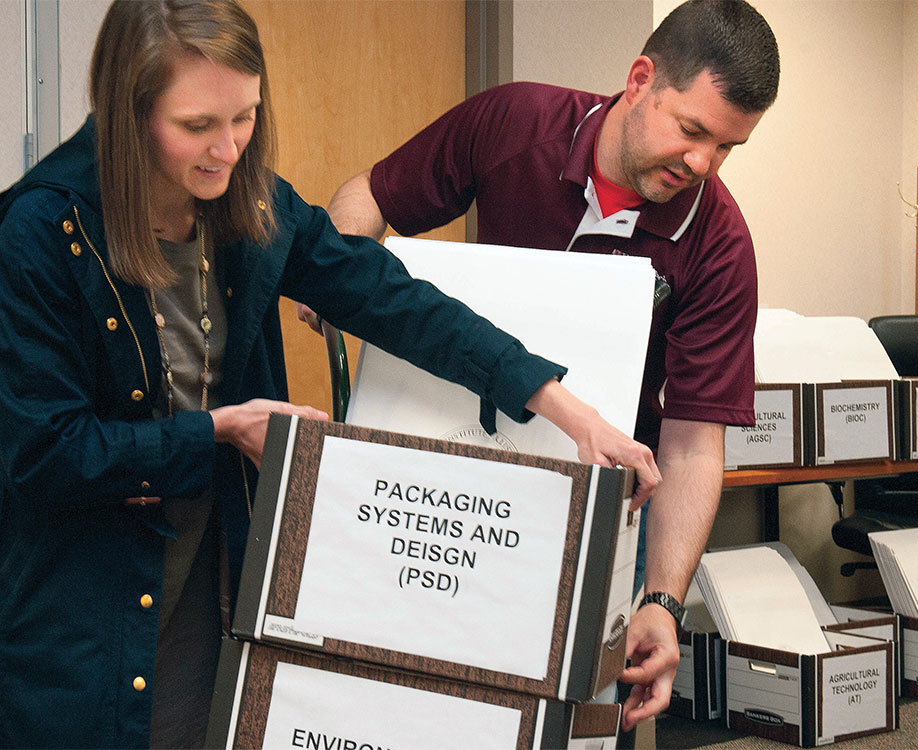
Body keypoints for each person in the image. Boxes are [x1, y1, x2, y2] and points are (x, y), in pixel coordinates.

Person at [0, 1, 660, 747]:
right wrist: (224, 430)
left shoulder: (252, 206)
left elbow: (394, 302)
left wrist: (560, 404)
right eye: (197, 126)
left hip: (205, 590)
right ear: (131, 112)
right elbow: (46, 456)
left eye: (245, 117)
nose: (227, 149)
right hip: (73, 617)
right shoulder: (45, 234)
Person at [315, 0, 779, 731]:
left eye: (727, 149)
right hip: (455, 478)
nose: (703, 165)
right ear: (639, 80)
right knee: (426, 704)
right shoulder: (514, 124)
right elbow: (371, 196)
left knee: (575, 722)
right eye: (692, 131)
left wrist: (661, 600)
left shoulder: (719, 244)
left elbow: (691, 443)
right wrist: (336, 267)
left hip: (599, 509)